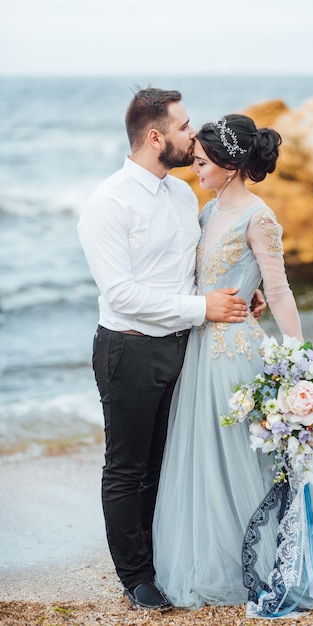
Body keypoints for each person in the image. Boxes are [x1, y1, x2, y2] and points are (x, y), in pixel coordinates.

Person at [153, 114, 313, 617]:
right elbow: (211, 282)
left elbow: (279, 291)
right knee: (208, 458)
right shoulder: (207, 214)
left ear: (231, 167)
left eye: (204, 163)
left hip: (235, 354)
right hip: (200, 348)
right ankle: (218, 556)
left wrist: (299, 363)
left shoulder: (260, 217)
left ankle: (268, 559)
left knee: (243, 460)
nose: (197, 169)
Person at [77, 89, 266, 612]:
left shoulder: (185, 197)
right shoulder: (108, 203)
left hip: (185, 347)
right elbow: (123, 296)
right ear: (155, 136)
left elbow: (195, 274)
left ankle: (162, 559)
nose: (194, 135)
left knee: (165, 461)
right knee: (127, 465)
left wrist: (239, 297)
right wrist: (203, 308)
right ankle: (136, 577)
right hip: (129, 350)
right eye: (184, 127)